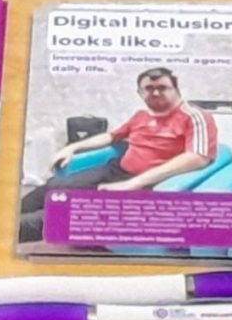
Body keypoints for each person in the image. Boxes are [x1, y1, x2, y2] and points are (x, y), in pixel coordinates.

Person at [18, 68, 220, 241]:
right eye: (149, 89)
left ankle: (7, 231)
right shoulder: (141, 116)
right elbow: (112, 136)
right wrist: (71, 148)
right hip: (116, 169)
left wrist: (135, 183)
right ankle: (2, 217)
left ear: (176, 89)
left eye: (163, 88)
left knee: (62, 212)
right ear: (140, 92)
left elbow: (198, 157)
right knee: (54, 186)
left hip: (149, 184)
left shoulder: (195, 116)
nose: (156, 93)